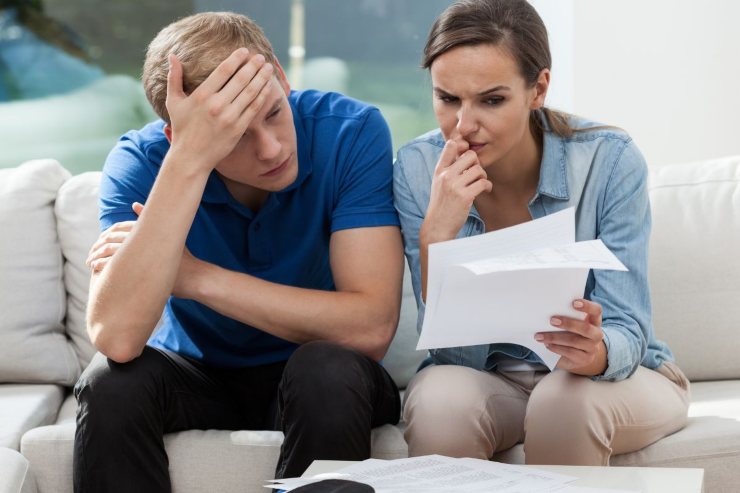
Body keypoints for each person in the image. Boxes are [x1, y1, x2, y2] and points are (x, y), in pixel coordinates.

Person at [76, 11, 403, 492]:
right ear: (179, 137)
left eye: (272, 112)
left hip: (316, 373)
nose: (271, 150)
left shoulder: (350, 132)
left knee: (328, 368)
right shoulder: (143, 161)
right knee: (112, 381)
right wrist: (188, 160)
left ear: (283, 78)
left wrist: (193, 277)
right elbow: (118, 338)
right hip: (197, 374)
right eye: (234, 136)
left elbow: (370, 326)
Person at [393, 0, 690, 465]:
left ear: (538, 88)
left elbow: (628, 330)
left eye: (492, 100)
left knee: (561, 401)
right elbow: (448, 348)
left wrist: (594, 352)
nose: (463, 126)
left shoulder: (608, 160)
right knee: (438, 403)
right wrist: (437, 233)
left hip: (610, 380)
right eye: (447, 98)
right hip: (488, 378)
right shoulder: (416, 167)